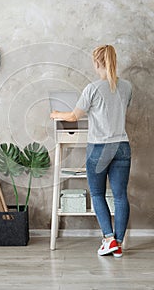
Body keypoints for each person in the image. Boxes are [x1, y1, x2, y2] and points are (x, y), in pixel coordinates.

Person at [50, 44, 132, 258]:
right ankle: (119, 243)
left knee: (97, 193)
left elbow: (74, 117)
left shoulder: (92, 88)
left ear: (97, 63)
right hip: (122, 146)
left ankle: (108, 239)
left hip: (99, 148)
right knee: (121, 196)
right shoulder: (127, 87)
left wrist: (57, 113)